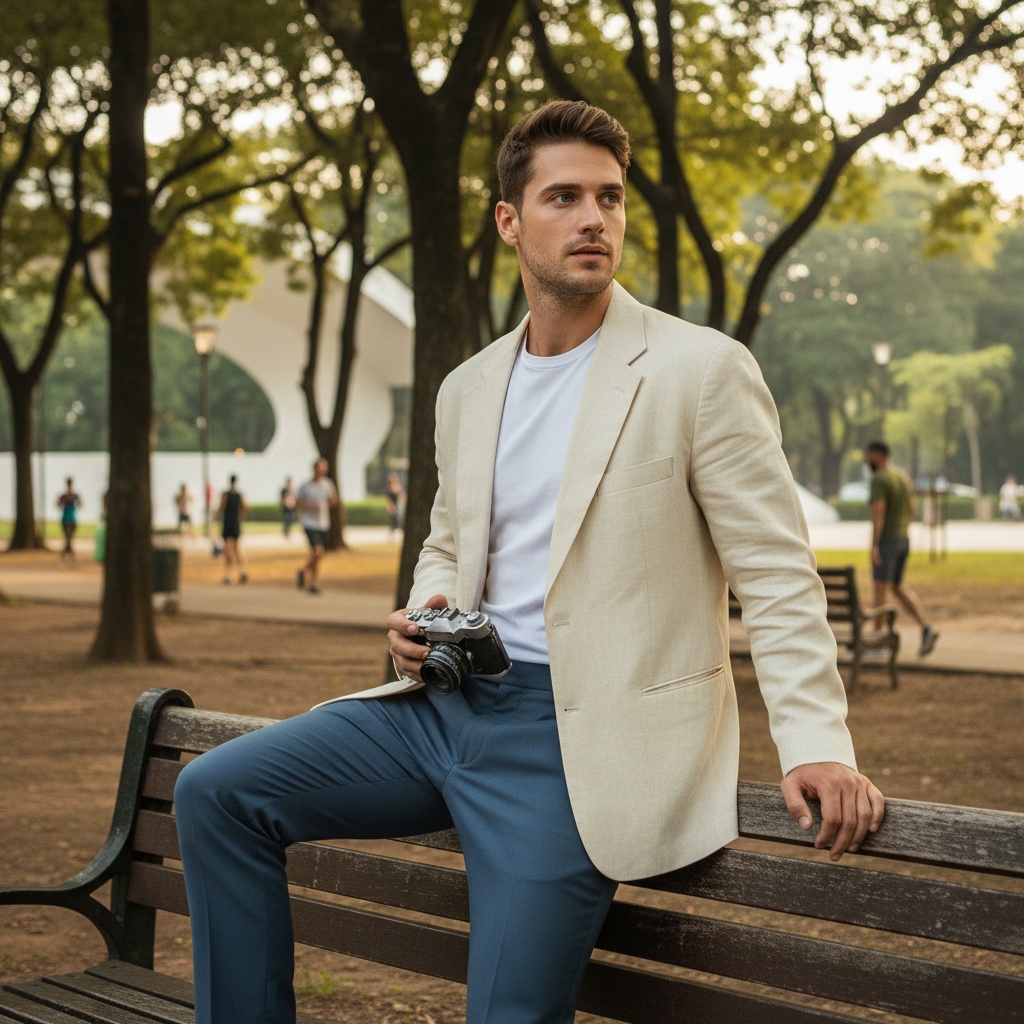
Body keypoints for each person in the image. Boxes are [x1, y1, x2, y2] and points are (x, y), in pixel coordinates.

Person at [175, 101, 883, 1024]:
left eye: (610, 198)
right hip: (438, 710)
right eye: (564, 197)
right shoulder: (468, 387)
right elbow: (448, 540)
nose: (594, 218)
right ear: (511, 221)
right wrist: (423, 610)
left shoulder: (700, 371)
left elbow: (779, 576)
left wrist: (819, 743)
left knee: (507, 1013)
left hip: (577, 744)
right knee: (216, 792)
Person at [865, 441, 938, 656]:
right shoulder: (902, 478)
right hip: (903, 541)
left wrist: (875, 545)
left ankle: (877, 643)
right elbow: (911, 510)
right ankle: (926, 627)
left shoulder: (880, 479)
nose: (867, 461)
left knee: (880, 592)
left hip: (887, 542)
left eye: (869, 456)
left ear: (879, 455)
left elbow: (878, 513)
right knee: (896, 587)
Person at [294, 458, 338, 595]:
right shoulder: (305, 486)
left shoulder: (327, 485)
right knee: (317, 551)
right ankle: (308, 577)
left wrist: (326, 505)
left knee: (317, 555)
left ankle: (309, 578)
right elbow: (297, 502)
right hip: (309, 523)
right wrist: (309, 507)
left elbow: (334, 500)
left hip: (322, 523)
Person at [216, 474, 248, 585]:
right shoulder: (239, 495)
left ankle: (227, 575)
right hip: (236, 524)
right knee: (237, 549)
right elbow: (245, 508)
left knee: (228, 550)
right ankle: (242, 572)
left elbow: (221, 507)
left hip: (228, 524)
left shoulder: (226, 494)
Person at [56, 478, 82, 564]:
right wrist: (64, 501)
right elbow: (58, 504)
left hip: (72, 519)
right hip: (65, 519)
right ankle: (70, 557)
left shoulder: (75, 496)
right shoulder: (64, 496)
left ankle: (65, 556)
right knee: (68, 538)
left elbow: (81, 504)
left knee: (69, 539)